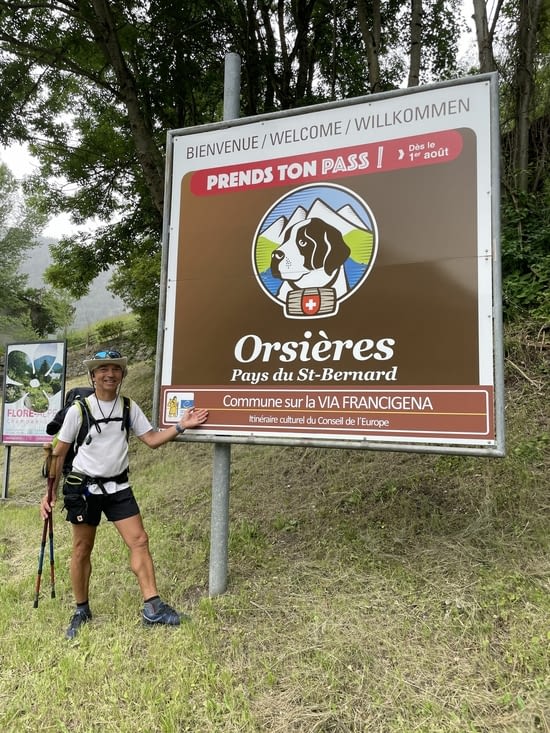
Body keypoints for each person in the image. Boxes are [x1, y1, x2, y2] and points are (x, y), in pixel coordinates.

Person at [40, 349, 208, 640]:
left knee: (139, 540)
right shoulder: (79, 410)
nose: (110, 374)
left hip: (119, 487)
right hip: (84, 489)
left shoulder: (128, 407)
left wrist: (181, 425)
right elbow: (59, 453)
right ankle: (81, 609)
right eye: (103, 369)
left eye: (116, 369)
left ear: (122, 375)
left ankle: (152, 608)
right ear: (93, 376)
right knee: (82, 549)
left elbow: (153, 440)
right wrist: (49, 494)